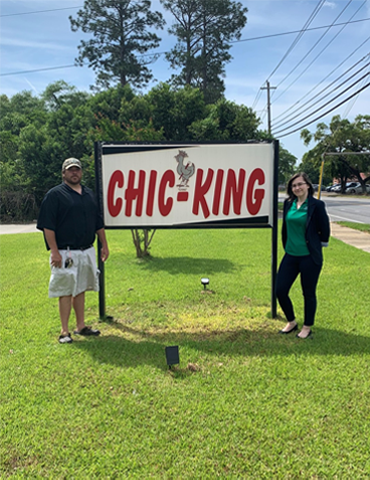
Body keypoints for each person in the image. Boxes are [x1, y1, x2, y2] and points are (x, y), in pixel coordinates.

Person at [37, 157, 109, 344]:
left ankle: (81, 326)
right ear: (64, 173)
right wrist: (54, 251)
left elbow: (97, 222)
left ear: (81, 172)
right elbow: (47, 227)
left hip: (86, 250)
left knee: (82, 287)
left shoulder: (88, 194)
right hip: (65, 251)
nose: (74, 172)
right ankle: (64, 331)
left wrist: (104, 244)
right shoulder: (55, 195)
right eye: (70, 170)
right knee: (66, 290)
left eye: (77, 169)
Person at [276, 172, 330, 339]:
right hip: (291, 255)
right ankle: (291, 322)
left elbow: (325, 229)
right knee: (280, 290)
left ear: (308, 185)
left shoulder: (317, 205)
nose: (297, 187)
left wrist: (316, 244)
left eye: (300, 184)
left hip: (309, 257)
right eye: (293, 185)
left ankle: (307, 326)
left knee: (308, 293)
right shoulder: (288, 203)